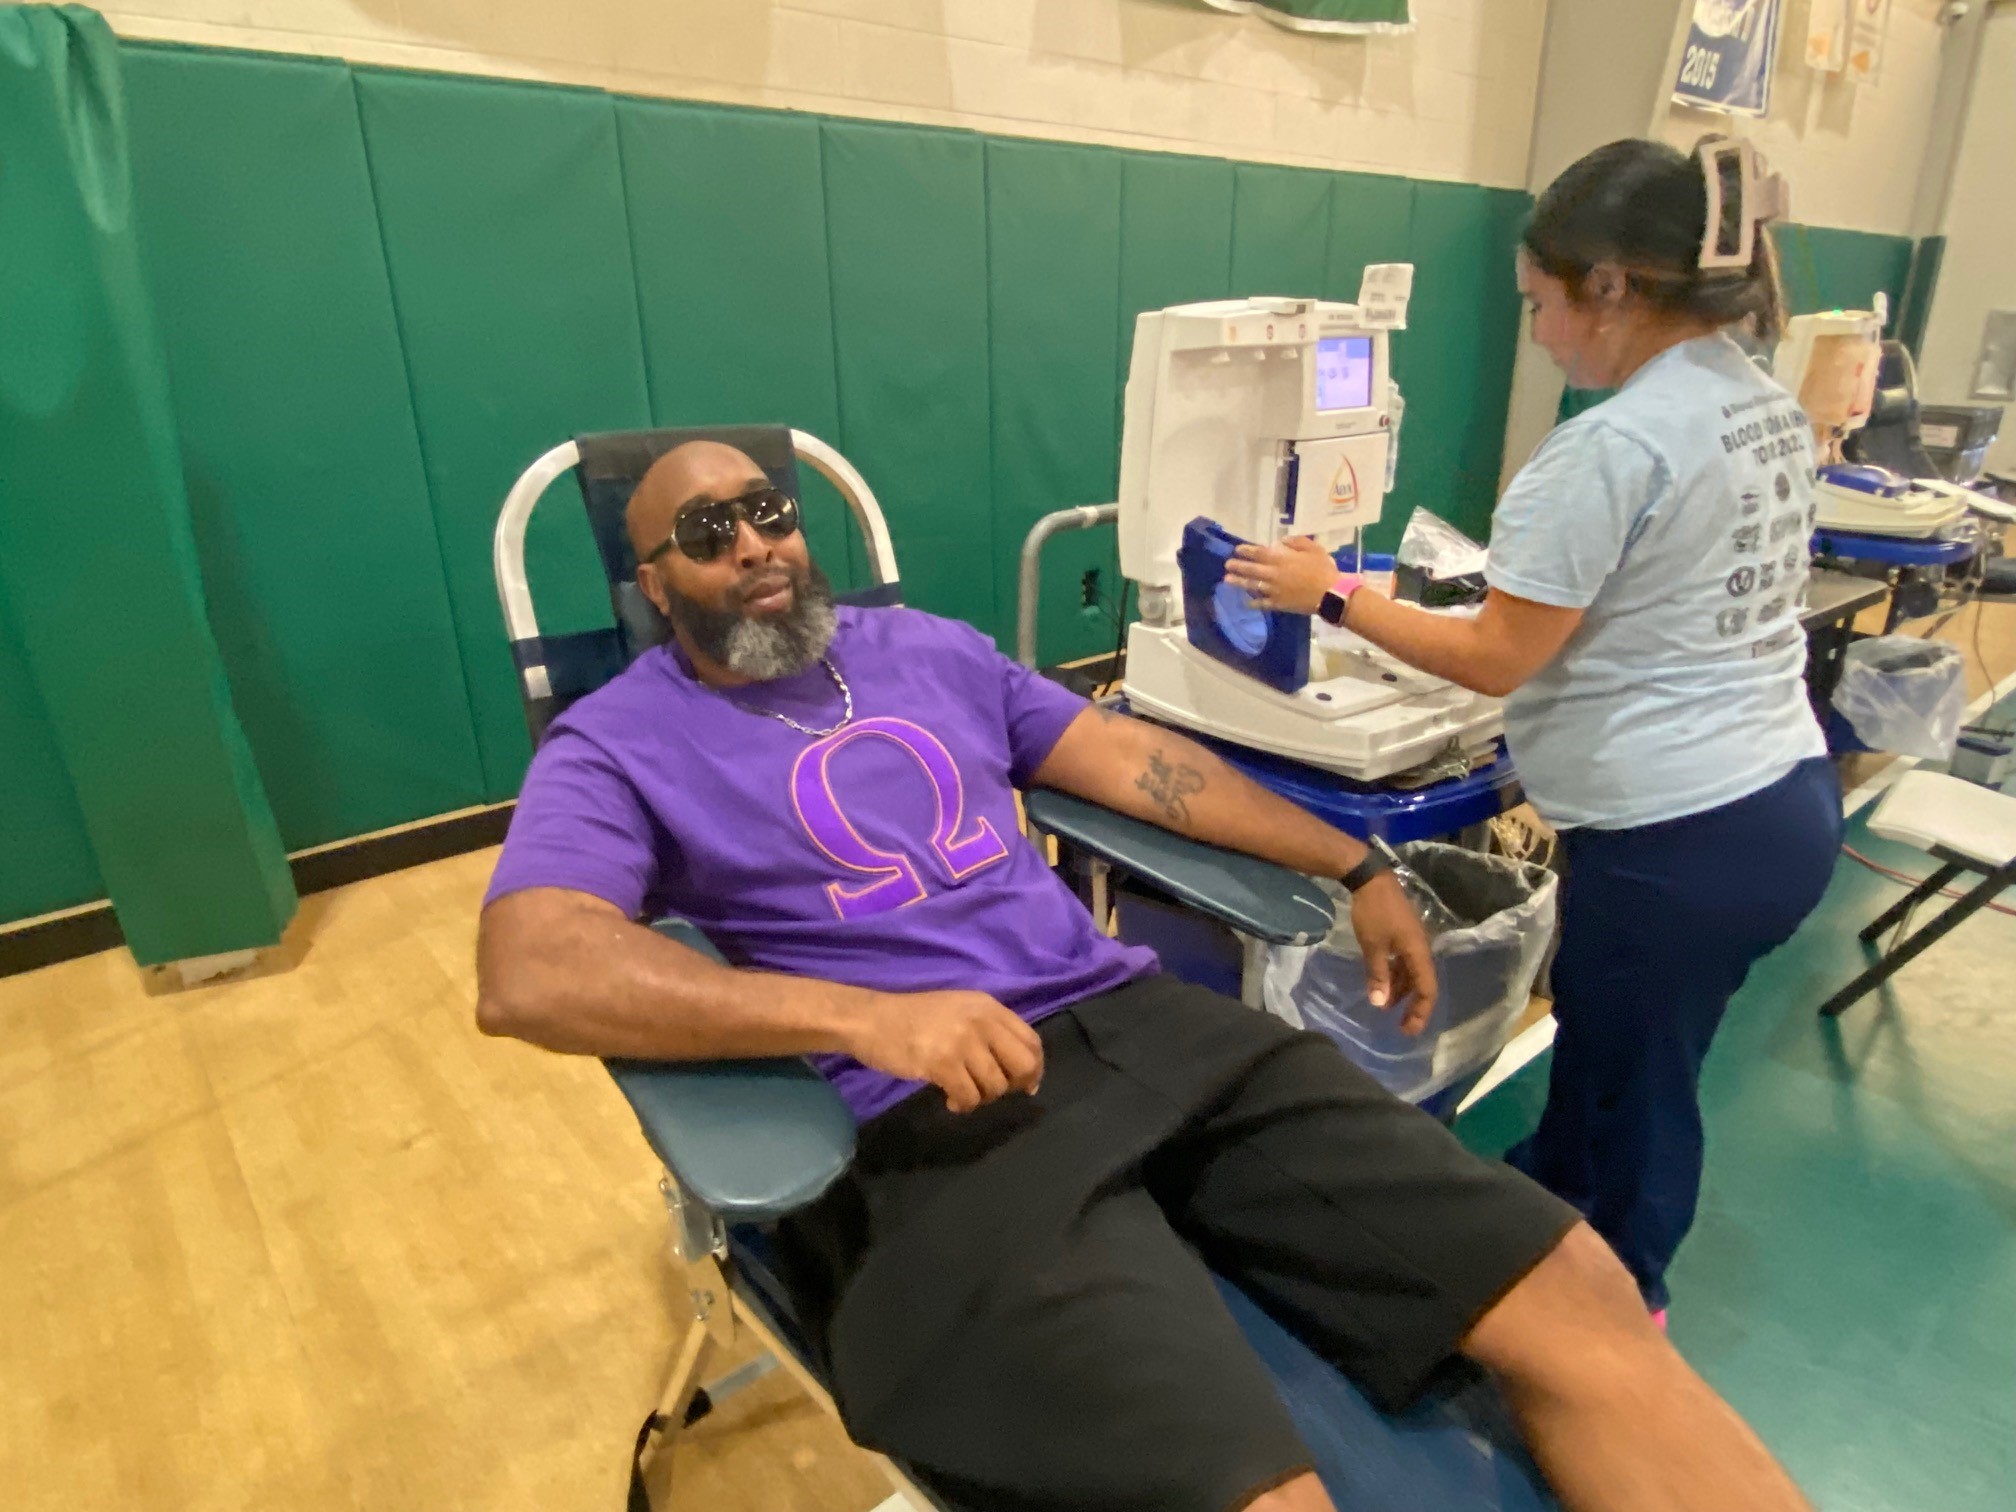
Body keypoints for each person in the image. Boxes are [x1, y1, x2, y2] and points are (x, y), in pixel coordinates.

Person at [476, 437, 1816, 1512]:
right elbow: (529, 968)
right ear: (654, 584)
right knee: (1256, 1493)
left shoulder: (929, 650)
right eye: (704, 532)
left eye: (767, 512)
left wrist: (1354, 864)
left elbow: (1135, 766)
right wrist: (864, 1016)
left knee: (1577, 1291)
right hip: (940, 1124)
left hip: (1151, 1032)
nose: (754, 545)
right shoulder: (619, 741)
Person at [1226, 136, 1844, 1324]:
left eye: (1540, 304)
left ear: (1609, 286)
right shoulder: (1759, 401)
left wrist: (1331, 594)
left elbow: (1496, 657)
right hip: (1780, 798)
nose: (1543, 333)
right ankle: (1547, 1199)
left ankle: (1619, 1307)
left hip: (1679, 838)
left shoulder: (1611, 447)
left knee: (1636, 1096)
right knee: (1620, 1056)